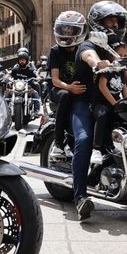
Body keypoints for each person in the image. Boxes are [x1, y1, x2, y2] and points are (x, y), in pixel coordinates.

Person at [69, 0, 127, 221]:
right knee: (84, 140)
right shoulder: (89, 45)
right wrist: (97, 63)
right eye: (110, 21)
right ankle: (80, 197)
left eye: (117, 21)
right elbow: (89, 56)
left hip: (107, 101)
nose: (115, 25)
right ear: (98, 22)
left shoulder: (115, 49)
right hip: (84, 102)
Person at [47, 10, 87, 157]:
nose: (66, 32)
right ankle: (58, 143)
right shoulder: (55, 51)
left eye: (70, 29)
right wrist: (69, 88)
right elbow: (55, 80)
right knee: (66, 96)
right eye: (63, 29)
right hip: (58, 89)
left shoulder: (83, 50)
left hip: (76, 88)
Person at [91, 41, 127, 167]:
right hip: (101, 103)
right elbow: (102, 86)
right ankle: (96, 149)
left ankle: (122, 146)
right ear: (112, 55)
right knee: (103, 115)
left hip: (115, 104)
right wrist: (115, 103)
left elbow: (125, 91)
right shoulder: (108, 68)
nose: (122, 58)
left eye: (125, 56)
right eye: (119, 55)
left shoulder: (123, 72)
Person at [7, 47, 40, 113]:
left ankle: (36, 110)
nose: (22, 62)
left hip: (28, 88)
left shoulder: (30, 70)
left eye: (23, 60)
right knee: (6, 93)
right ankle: (5, 109)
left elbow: (36, 75)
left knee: (35, 93)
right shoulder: (15, 69)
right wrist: (7, 78)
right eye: (20, 60)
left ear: (26, 61)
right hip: (16, 88)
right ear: (18, 61)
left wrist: (38, 77)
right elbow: (10, 75)